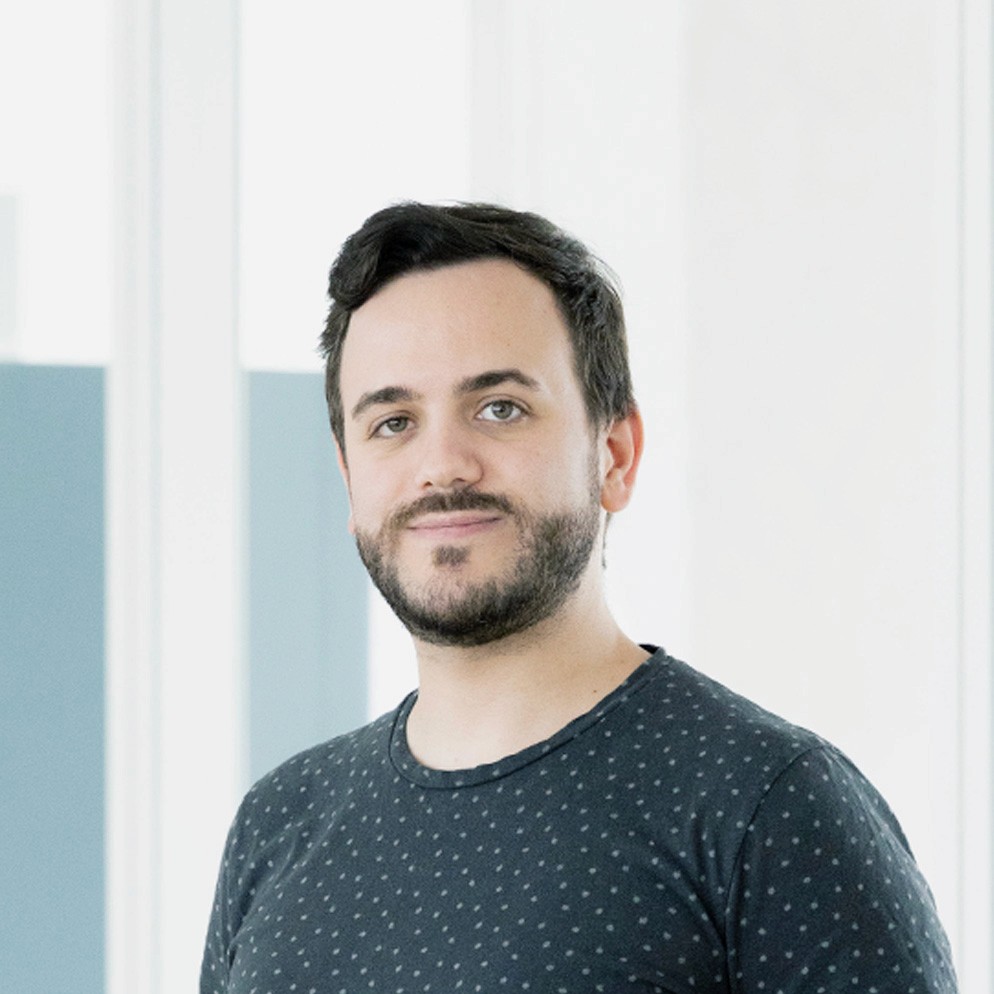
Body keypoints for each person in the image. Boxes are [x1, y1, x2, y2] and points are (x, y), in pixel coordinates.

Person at [201, 202, 957, 993]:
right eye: (393, 422)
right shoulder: (278, 825)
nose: (442, 464)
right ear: (349, 475)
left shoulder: (769, 806)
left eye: (500, 408)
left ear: (615, 455)